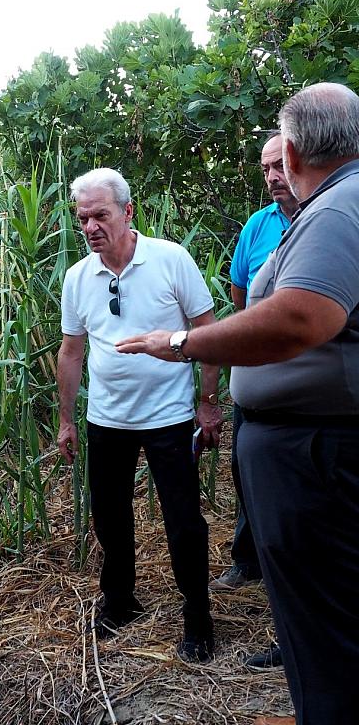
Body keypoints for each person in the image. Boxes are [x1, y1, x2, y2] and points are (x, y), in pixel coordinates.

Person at [115, 82, 359, 725]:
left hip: (319, 447)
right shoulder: (329, 207)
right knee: (318, 610)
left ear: (292, 151)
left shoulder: (341, 207)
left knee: (331, 611)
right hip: (302, 440)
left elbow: (300, 316)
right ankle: (326, 721)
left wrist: (180, 345)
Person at [57, 168, 223, 663]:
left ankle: (198, 614)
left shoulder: (170, 259)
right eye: (81, 218)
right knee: (109, 517)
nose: (89, 227)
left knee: (183, 522)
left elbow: (207, 329)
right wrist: (66, 419)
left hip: (169, 418)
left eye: (100, 215)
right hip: (107, 420)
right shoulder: (78, 277)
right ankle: (120, 600)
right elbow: (70, 351)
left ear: (128, 213)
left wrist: (208, 402)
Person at [214, 131, 300, 671]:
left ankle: (295, 639)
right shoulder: (258, 226)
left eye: (277, 165)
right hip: (258, 389)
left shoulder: (328, 217)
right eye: (264, 168)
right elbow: (240, 299)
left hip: (310, 402)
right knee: (250, 480)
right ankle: (248, 559)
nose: (271, 176)